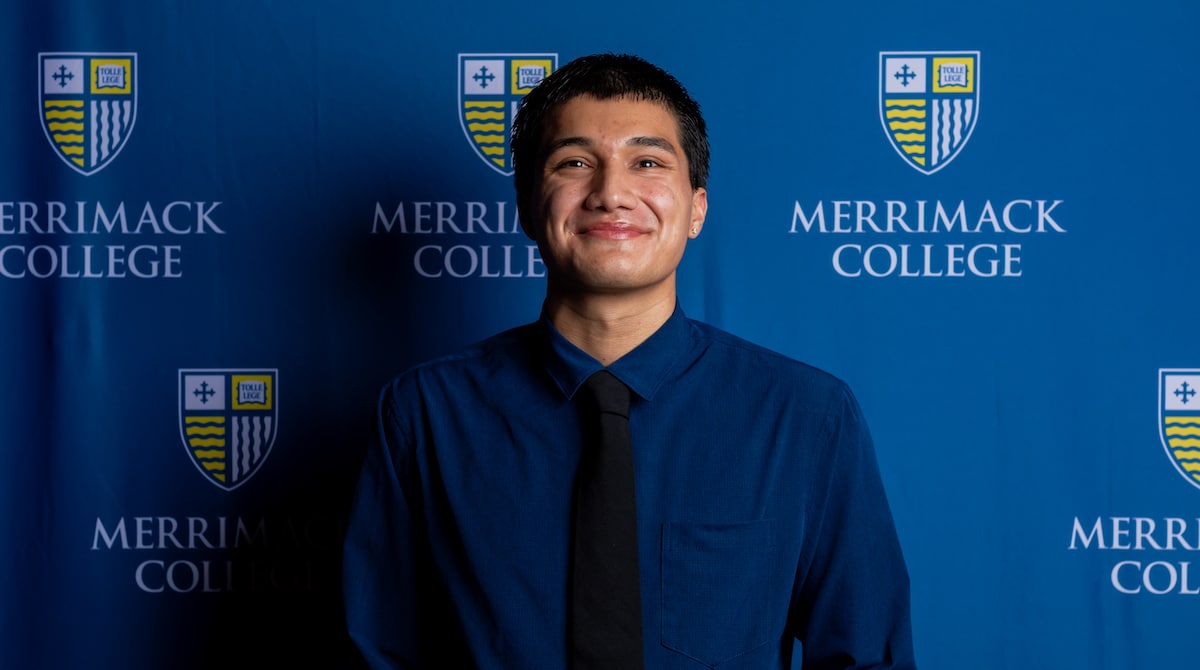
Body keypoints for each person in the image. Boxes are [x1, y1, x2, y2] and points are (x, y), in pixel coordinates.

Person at [343, 53, 916, 669]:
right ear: (528, 208)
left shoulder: (806, 417)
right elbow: (381, 654)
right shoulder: (426, 413)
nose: (611, 193)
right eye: (574, 163)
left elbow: (865, 658)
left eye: (647, 163)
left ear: (696, 208)